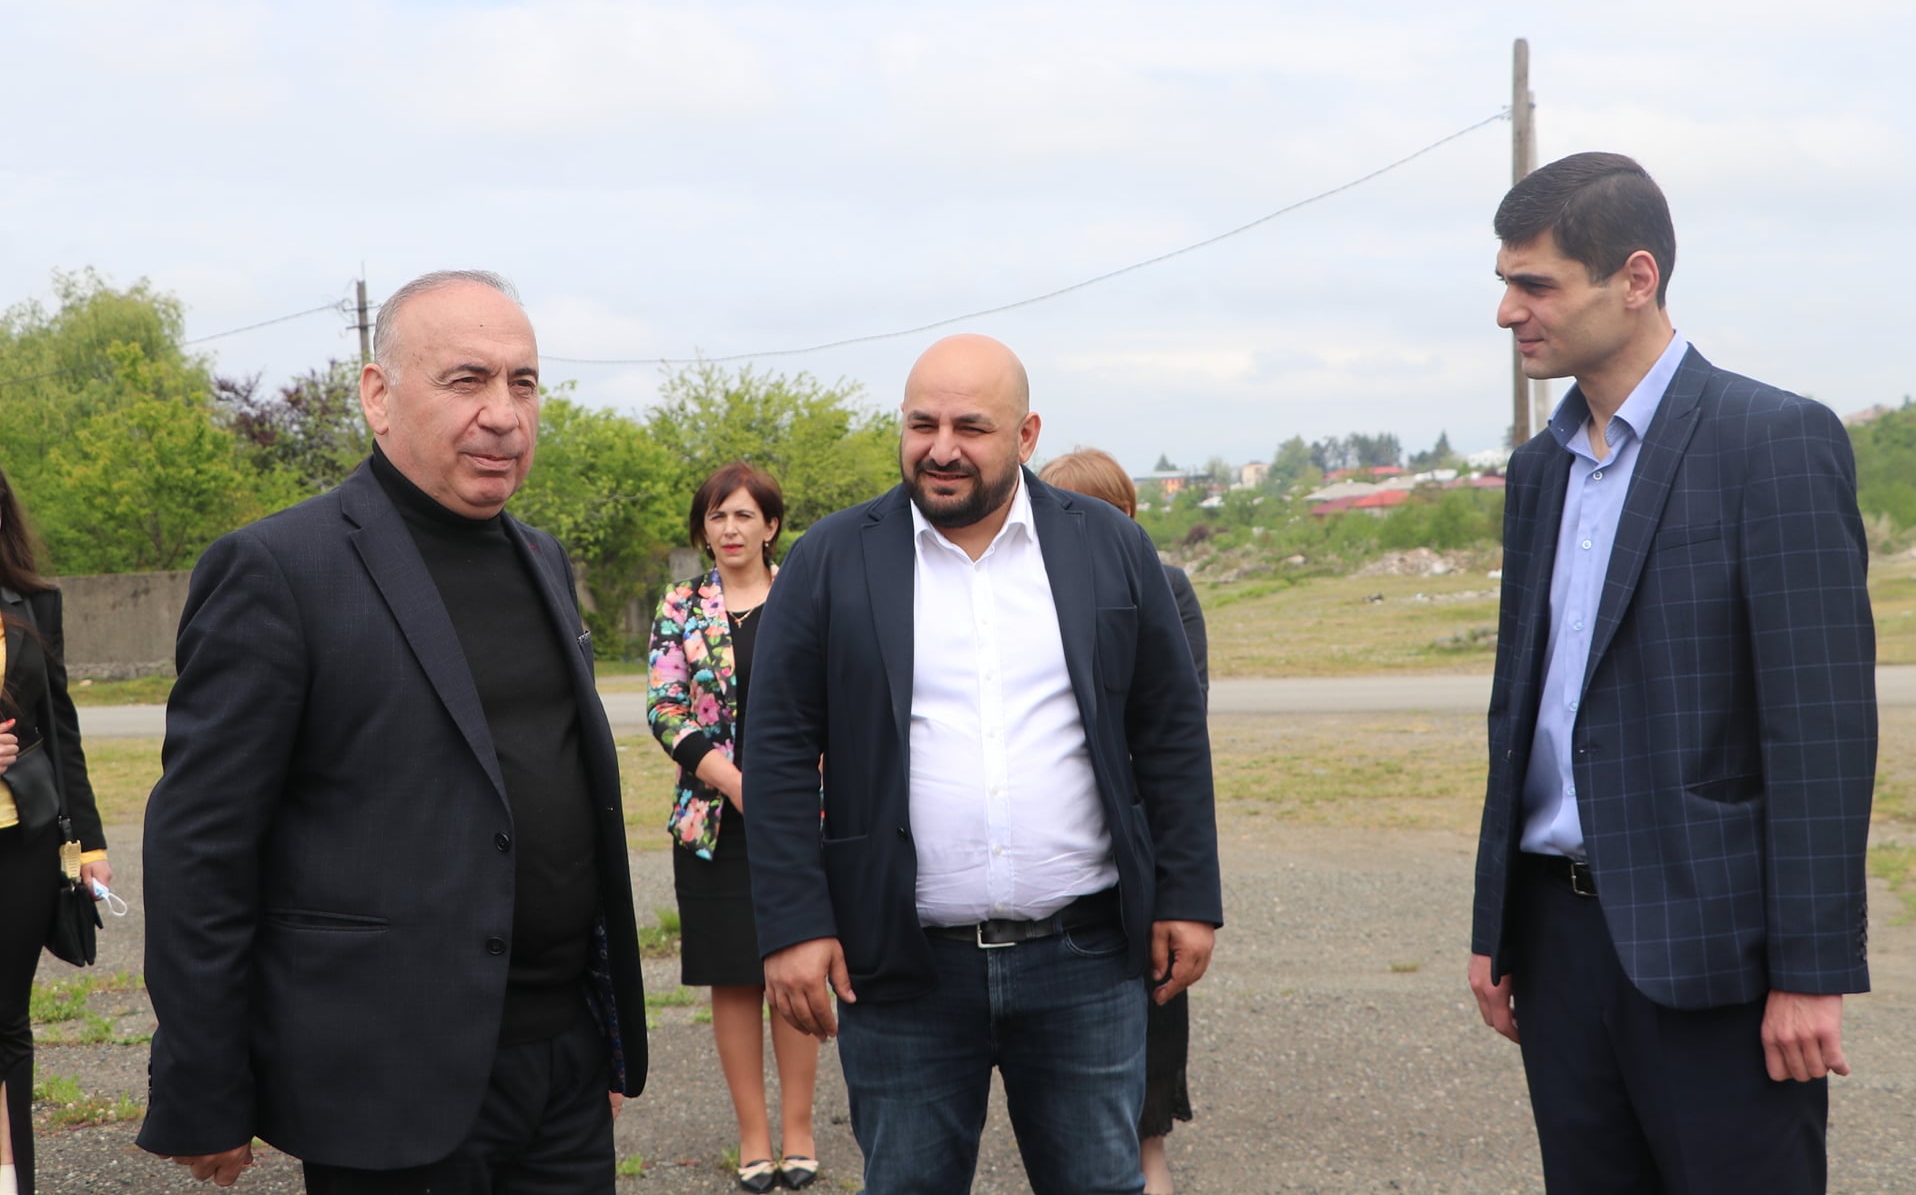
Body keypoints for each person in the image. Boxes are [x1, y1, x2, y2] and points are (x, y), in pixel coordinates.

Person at [137, 270, 647, 1192]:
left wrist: (595, 1034)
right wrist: (204, 1084)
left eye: (523, 383)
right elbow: (202, 849)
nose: (503, 415)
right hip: (388, 1085)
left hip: (563, 1071)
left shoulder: (541, 557)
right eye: (467, 380)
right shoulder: (279, 570)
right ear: (378, 395)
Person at [1467, 153, 1878, 1193]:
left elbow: (1818, 728)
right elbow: (1520, 712)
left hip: (1714, 955)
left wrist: (1810, 973)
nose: (1508, 312)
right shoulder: (1539, 470)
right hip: (1557, 945)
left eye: (1535, 285)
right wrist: (1494, 926)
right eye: (1505, 284)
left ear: (1635, 279)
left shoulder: (1769, 441)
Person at [744, 334, 1223, 1195]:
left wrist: (1187, 893)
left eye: (971, 426)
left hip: (1084, 957)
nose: (942, 448)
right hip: (900, 969)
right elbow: (776, 747)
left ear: (1027, 434)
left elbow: (1170, 732)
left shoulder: (1110, 548)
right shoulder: (831, 559)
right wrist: (793, 923)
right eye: (921, 424)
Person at [646, 462, 820, 1193]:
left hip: (801, 820)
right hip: (714, 822)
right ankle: (754, 1135)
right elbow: (665, 708)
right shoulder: (682, 604)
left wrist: (791, 788)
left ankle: (800, 1130)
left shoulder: (804, 596)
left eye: (745, 515)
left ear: (771, 525)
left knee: (797, 971)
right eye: (717, 516)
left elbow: (835, 698)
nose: (730, 529)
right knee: (735, 979)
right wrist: (740, 783)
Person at [1037, 448, 1207, 1195]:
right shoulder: (1025, 592)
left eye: (1103, 514)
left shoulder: (1165, 586)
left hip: (1135, 849)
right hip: (1060, 873)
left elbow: (1178, 720)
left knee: (1150, 1025)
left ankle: (1149, 1140)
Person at [0, 467, 110, 1195]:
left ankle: (13, 1181)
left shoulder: (36, 603)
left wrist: (89, 845)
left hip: (24, 842)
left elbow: (61, 731)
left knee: (7, 1020)